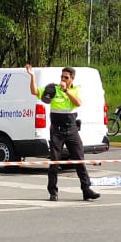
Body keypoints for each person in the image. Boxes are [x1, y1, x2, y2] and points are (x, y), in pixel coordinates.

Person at [26, 64, 99, 202]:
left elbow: (77, 103)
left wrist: (67, 92)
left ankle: (86, 190)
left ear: (72, 79)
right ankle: (53, 192)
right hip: (57, 130)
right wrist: (32, 76)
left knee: (79, 159)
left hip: (71, 129)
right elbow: (34, 91)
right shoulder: (53, 89)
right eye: (62, 77)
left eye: (66, 77)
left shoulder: (76, 90)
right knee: (54, 161)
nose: (63, 80)